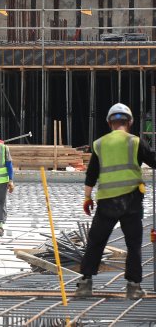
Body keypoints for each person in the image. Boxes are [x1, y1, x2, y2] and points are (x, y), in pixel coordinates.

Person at [76, 103, 156, 300]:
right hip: (131, 201)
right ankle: (133, 286)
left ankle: (85, 284)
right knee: (134, 244)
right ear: (129, 122)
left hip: (106, 202)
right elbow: (154, 161)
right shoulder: (135, 142)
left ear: (109, 123)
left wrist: (87, 198)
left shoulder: (100, 143)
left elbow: (91, 174)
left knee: (96, 242)